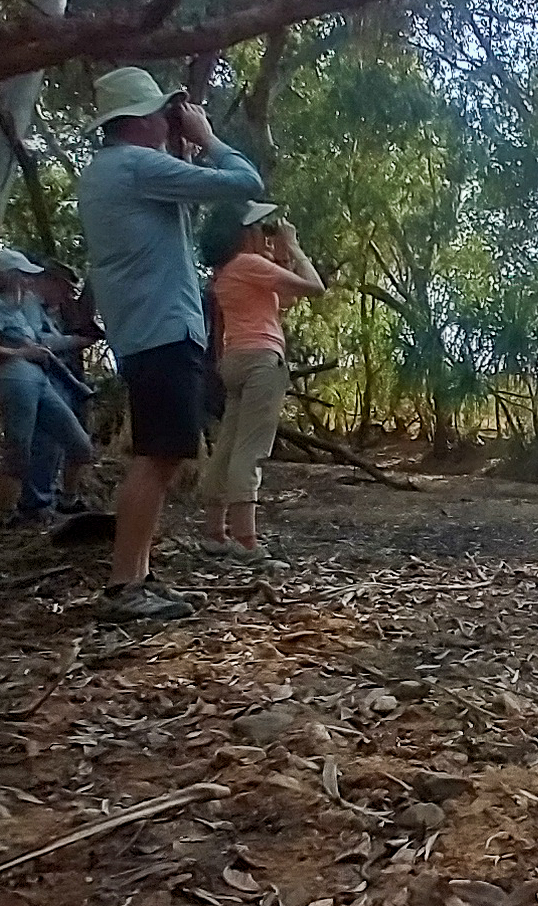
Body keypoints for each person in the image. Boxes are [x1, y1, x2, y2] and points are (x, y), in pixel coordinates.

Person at [76, 66, 264, 623]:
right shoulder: (133, 165)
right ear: (136, 121)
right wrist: (206, 138)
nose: (169, 119)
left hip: (146, 327)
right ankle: (123, 586)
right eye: (162, 111)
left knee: (161, 452)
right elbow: (243, 182)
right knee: (157, 456)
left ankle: (136, 575)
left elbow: (184, 198)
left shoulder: (112, 170)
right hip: (162, 327)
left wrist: (180, 146)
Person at [198, 201, 325, 563]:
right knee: (250, 449)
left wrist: (281, 256)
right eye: (260, 228)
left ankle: (214, 532)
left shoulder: (227, 272)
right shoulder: (249, 265)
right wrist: (295, 246)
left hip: (236, 359)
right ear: (245, 234)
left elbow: (282, 301)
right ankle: (246, 540)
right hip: (261, 360)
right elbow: (315, 288)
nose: (266, 233)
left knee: (228, 445)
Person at [0, 249, 96, 527]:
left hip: (39, 378)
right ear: (9, 276)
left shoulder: (24, 306)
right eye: (24, 274)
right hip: (15, 377)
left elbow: (44, 339)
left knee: (80, 445)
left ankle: (65, 500)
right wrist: (19, 353)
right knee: (19, 445)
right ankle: (8, 515)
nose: (29, 280)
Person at [25, 256, 103, 513]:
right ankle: (36, 505)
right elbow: (38, 341)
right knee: (45, 444)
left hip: (60, 379)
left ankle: (50, 500)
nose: (67, 296)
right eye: (64, 289)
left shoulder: (51, 310)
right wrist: (74, 341)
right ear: (48, 282)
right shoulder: (29, 304)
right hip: (40, 377)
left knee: (60, 444)